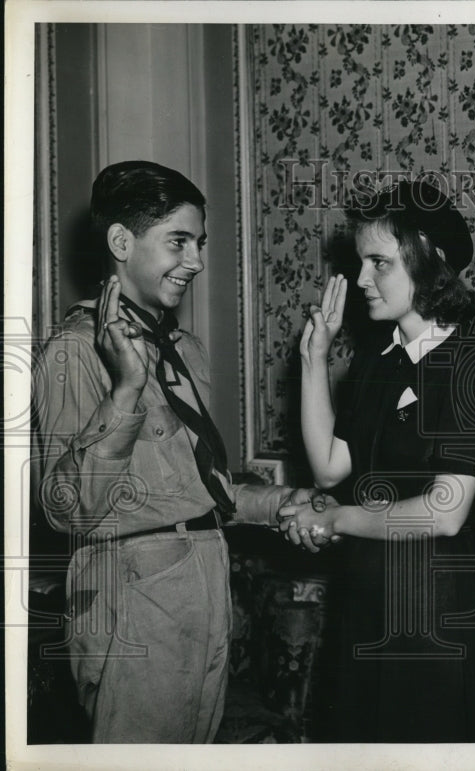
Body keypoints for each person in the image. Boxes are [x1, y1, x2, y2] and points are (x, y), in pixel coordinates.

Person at [32, 160, 315, 743]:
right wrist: (127, 390)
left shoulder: (184, 349)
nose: (197, 261)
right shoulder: (72, 353)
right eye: (178, 242)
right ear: (121, 241)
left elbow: (198, 488)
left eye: (200, 243)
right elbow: (66, 510)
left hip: (207, 584)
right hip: (130, 596)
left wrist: (278, 503)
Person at [276, 180, 475, 742]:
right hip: (364, 603)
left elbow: (445, 512)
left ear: (430, 261)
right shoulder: (380, 360)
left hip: (432, 620)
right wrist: (314, 359)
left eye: (379, 262)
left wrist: (336, 519)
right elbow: (329, 466)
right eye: (359, 262)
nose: (361, 280)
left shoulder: (471, 363)